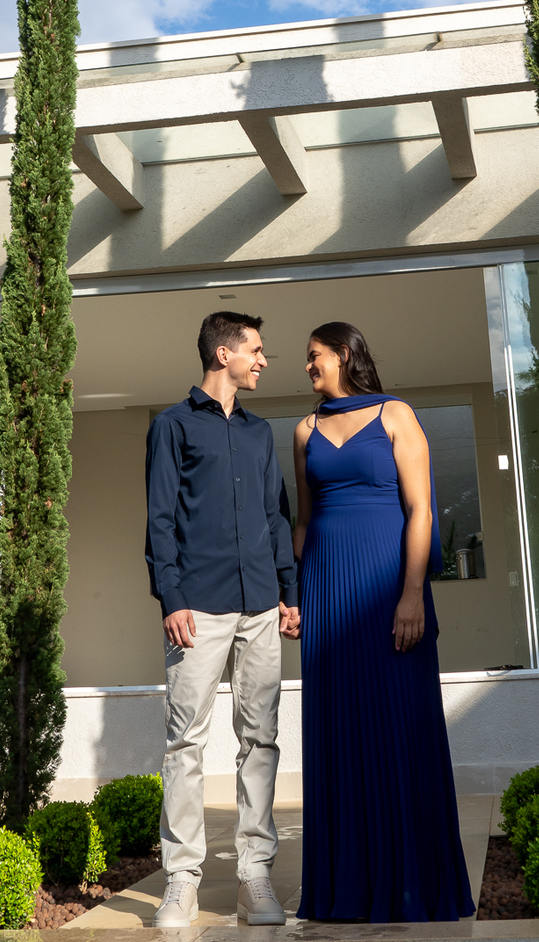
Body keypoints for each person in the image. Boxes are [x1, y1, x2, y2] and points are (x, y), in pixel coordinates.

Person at [292, 320, 475, 923]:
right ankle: (344, 893)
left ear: (344, 355)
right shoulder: (304, 430)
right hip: (325, 593)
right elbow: (304, 522)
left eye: (316, 357)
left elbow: (422, 510)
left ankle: (414, 886)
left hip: (389, 591)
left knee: (402, 730)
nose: (308, 367)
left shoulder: (396, 415)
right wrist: (293, 596)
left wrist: (413, 595)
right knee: (337, 736)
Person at [145, 311, 301, 929]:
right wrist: (171, 597)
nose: (263, 360)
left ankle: (254, 876)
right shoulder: (172, 426)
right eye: (255, 351)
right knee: (185, 743)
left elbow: (276, 517)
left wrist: (289, 592)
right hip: (197, 607)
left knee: (259, 739)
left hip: (262, 603)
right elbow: (160, 519)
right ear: (222, 353)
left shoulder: (262, 434)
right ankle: (181, 880)